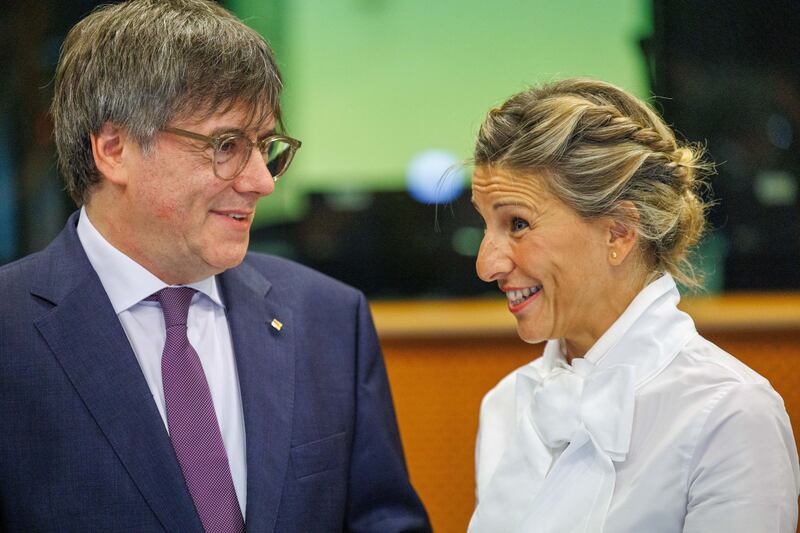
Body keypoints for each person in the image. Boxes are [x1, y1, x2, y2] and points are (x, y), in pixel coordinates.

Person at [0, 1, 431, 531]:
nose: (262, 181)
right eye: (226, 145)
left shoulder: (329, 319)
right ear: (113, 149)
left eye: (264, 147)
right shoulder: (10, 329)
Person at [467, 78, 800, 532]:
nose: (486, 264)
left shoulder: (730, 415)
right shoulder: (505, 405)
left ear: (619, 232)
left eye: (518, 223)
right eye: (485, 224)